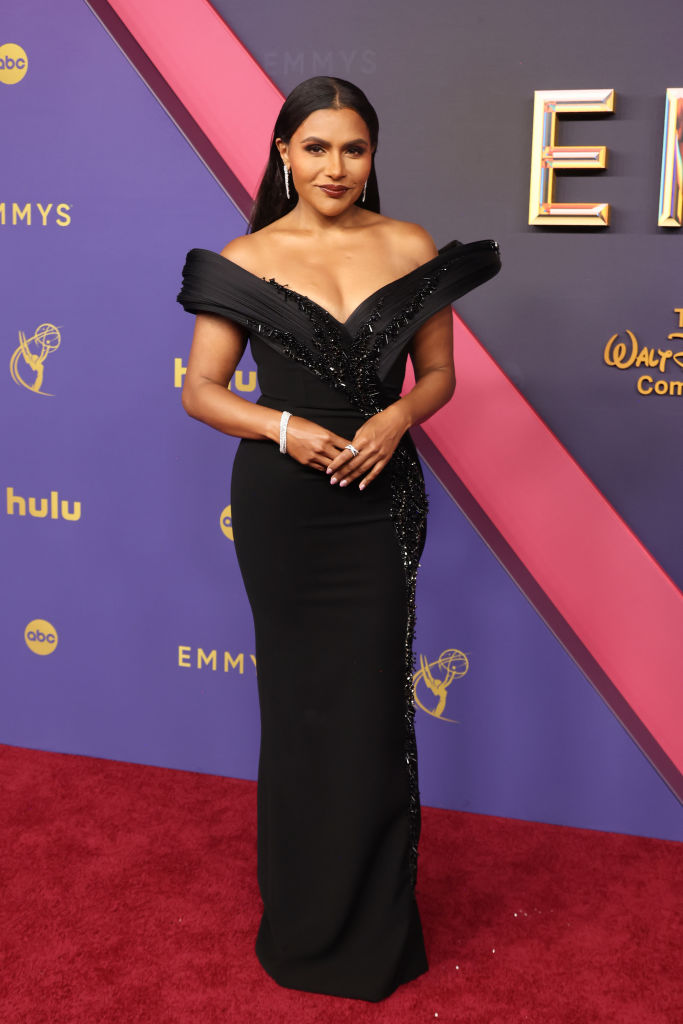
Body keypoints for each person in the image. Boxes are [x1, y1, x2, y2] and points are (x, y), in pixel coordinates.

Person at [176, 75, 501, 1002]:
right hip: (284, 508)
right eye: (315, 147)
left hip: (380, 499)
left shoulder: (408, 246)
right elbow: (201, 390)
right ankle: (304, 922)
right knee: (301, 711)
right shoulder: (245, 256)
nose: (334, 166)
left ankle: (374, 930)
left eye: (352, 148)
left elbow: (436, 374)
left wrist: (397, 420)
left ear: (373, 156)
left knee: (371, 710)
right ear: (283, 153)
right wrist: (282, 428)